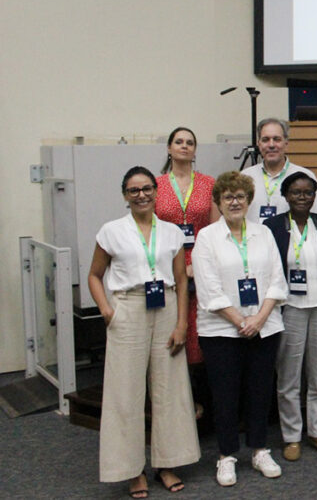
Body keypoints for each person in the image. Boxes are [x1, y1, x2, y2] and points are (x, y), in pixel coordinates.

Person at [87, 166, 199, 498]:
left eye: (147, 188)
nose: (142, 195)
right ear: (125, 195)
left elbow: (181, 281)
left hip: (165, 308)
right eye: (134, 190)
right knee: (125, 393)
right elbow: (94, 274)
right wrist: (106, 309)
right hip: (128, 308)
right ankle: (131, 469)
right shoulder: (111, 231)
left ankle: (167, 463)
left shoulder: (171, 233)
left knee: (170, 391)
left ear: (156, 191)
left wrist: (182, 323)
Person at [192, 171, 288, 486]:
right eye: (228, 197)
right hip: (220, 331)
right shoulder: (206, 237)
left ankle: (259, 450)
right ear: (218, 202)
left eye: (241, 197)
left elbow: (277, 279)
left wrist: (258, 319)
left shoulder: (263, 233)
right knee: (225, 395)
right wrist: (239, 321)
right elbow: (208, 289)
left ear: (249, 201)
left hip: (264, 326)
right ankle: (226, 455)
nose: (235, 202)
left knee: (260, 392)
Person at [263, 172, 317, 462]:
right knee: (289, 376)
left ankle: (316, 432)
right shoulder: (272, 227)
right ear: (285, 196)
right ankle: (291, 436)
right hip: (290, 309)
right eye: (296, 192)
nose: (302, 197)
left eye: (308, 192)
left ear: (314, 196)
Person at [154, 126, 220, 418]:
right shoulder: (155, 185)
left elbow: (217, 230)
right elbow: (150, 230)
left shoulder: (208, 184)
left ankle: (202, 402)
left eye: (189, 143)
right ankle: (175, 404)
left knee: (198, 335)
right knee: (170, 331)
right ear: (169, 148)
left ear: (195, 150)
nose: (184, 146)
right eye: (178, 142)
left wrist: (196, 266)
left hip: (201, 267)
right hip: (166, 268)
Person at [241, 118, 317, 223]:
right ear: (259, 144)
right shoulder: (244, 177)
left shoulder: (305, 177)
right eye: (265, 140)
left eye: (277, 139)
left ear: (286, 143)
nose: (271, 145)